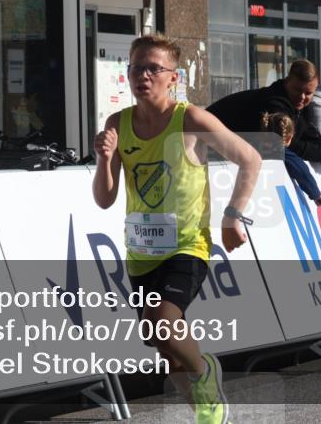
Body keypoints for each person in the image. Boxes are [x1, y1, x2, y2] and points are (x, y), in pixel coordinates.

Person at [92, 34, 262, 424]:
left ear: (174, 77)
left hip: (187, 246)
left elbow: (250, 158)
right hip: (140, 252)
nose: (144, 76)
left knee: (167, 329)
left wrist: (232, 215)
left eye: (154, 68)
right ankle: (207, 413)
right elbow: (104, 198)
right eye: (136, 67)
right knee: (161, 345)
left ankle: (206, 372)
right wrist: (104, 160)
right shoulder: (117, 124)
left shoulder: (192, 119)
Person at [208, 59, 321, 163]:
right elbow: (286, 145)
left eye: (308, 93)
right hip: (207, 146)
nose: (302, 97)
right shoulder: (274, 104)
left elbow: (306, 135)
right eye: (297, 90)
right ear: (287, 82)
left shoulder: (296, 107)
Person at [261, 111, 321, 206]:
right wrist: (316, 194)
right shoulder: (283, 154)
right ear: (288, 138)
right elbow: (302, 172)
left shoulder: (248, 144)